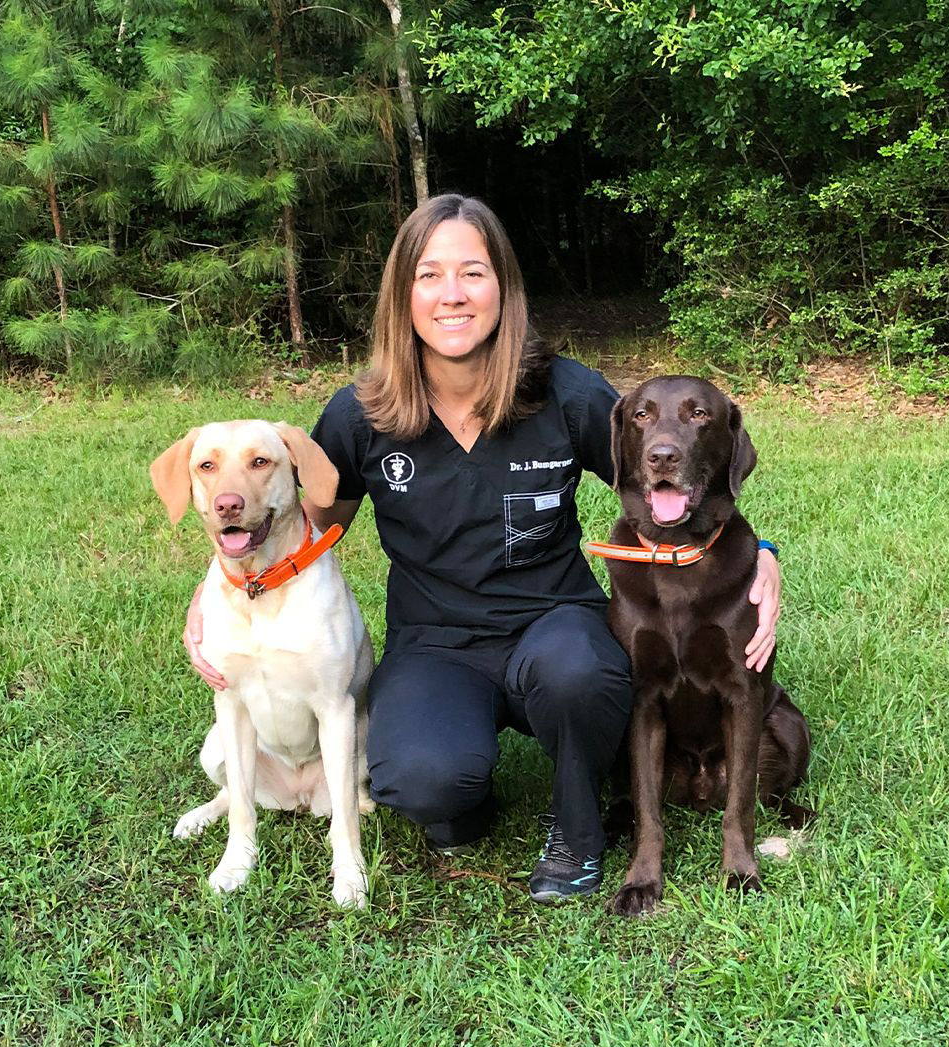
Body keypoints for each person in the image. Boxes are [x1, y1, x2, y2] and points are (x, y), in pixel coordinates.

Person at [184, 194, 781, 903]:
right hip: (436, 640)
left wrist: (762, 549)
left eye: (473, 272)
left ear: (504, 287)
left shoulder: (564, 393)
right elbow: (299, 522)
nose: (453, 295)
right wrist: (215, 586)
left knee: (582, 677)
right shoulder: (361, 411)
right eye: (429, 276)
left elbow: (675, 459)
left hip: (553, 623)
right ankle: (467, 793)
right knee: (422, 779)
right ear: (402, 294)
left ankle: (577, 823)